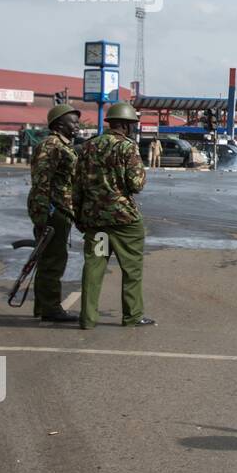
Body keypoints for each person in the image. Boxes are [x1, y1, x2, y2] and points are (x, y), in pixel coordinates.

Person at [74, 102, 154, 329]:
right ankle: (132, 316)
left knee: (93, 267)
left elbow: (77, 186)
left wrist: (79, 217)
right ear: (127, 126)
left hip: (95, 219)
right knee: (131, 269)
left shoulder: (88, 147)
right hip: (124, 222)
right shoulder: (127, 148)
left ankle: (87, 319)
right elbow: (136, 185)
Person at [27, 103, 82, 322]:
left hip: (59, 208)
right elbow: (41, 181)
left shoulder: (63, 145)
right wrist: (43, 214)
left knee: (48, 258)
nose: (77, 125)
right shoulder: (51, 145)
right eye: (73, 122)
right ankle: (51, 309)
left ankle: (43, 306)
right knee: (53, 260)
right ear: (59, 124)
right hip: (53, 209)